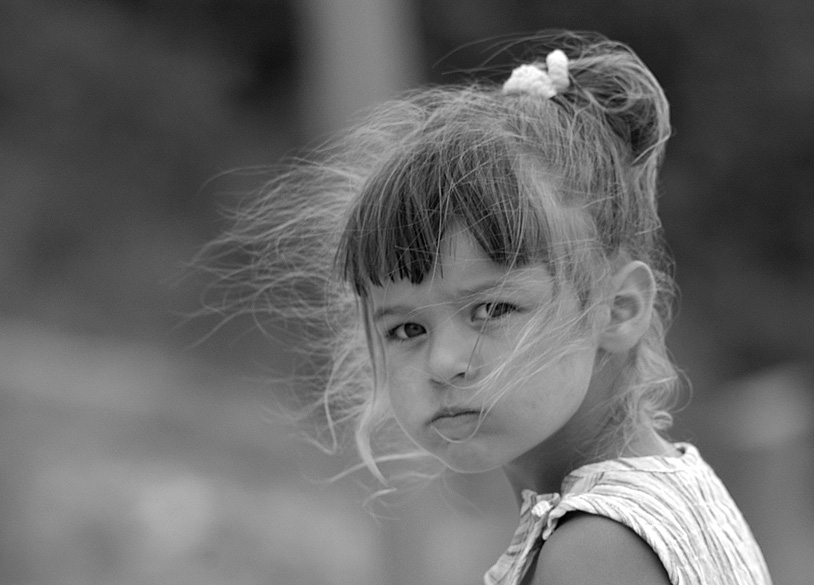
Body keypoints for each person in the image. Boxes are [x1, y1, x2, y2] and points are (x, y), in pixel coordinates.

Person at [204, 31, 772, 585]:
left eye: (493, 309)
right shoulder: (680, 489)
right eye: (407, 327)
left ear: (619, 309)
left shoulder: (598, 546)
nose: (444, 361)